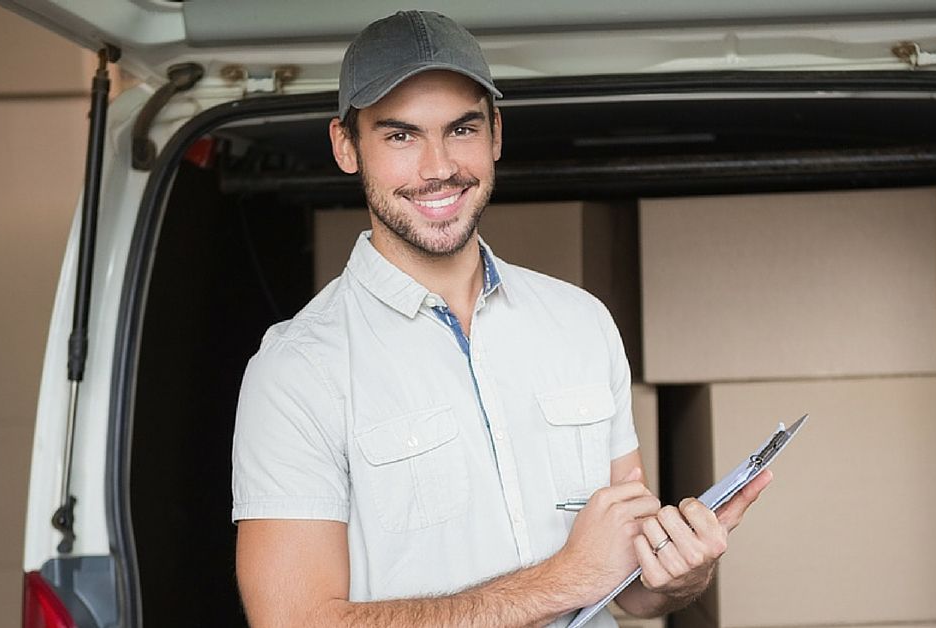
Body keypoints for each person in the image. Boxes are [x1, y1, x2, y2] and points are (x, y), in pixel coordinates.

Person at [231, 10, 772, 628]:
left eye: (461, 129)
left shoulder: (581, 323)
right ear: (346, 147)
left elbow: (627, 588)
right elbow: (295, 622)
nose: (438, 167)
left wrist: (683, 571)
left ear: (495, 135)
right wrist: (561, 578)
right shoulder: (297, 370)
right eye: (400, 136)